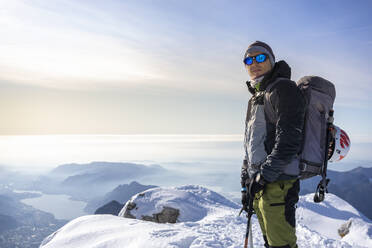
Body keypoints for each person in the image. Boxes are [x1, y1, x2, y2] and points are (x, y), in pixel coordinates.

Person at [240, 41, 306, 248]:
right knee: (271, 243)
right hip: (260, 183)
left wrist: (265, 175)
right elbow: (250, 144)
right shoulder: (257, 97)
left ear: (272, 60)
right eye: (248, 60)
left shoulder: (283, 89)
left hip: (278, 183)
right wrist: (246, 183)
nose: (254, 63)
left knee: (282, 245)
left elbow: (289, 139)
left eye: (260, 57)